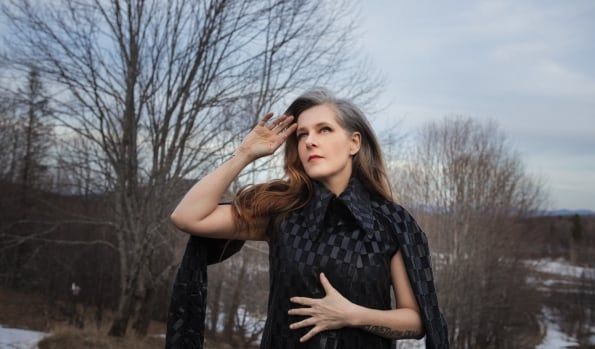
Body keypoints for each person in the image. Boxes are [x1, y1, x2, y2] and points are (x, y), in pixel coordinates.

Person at [167, 88, 449, 349]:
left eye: (324, 130)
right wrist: (244, 154)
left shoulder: (392, 222)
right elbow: (187, 216)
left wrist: (352, 315)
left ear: (354, 143)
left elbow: (416, 322)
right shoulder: (281, 213)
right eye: (302, 134)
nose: (310, 141)